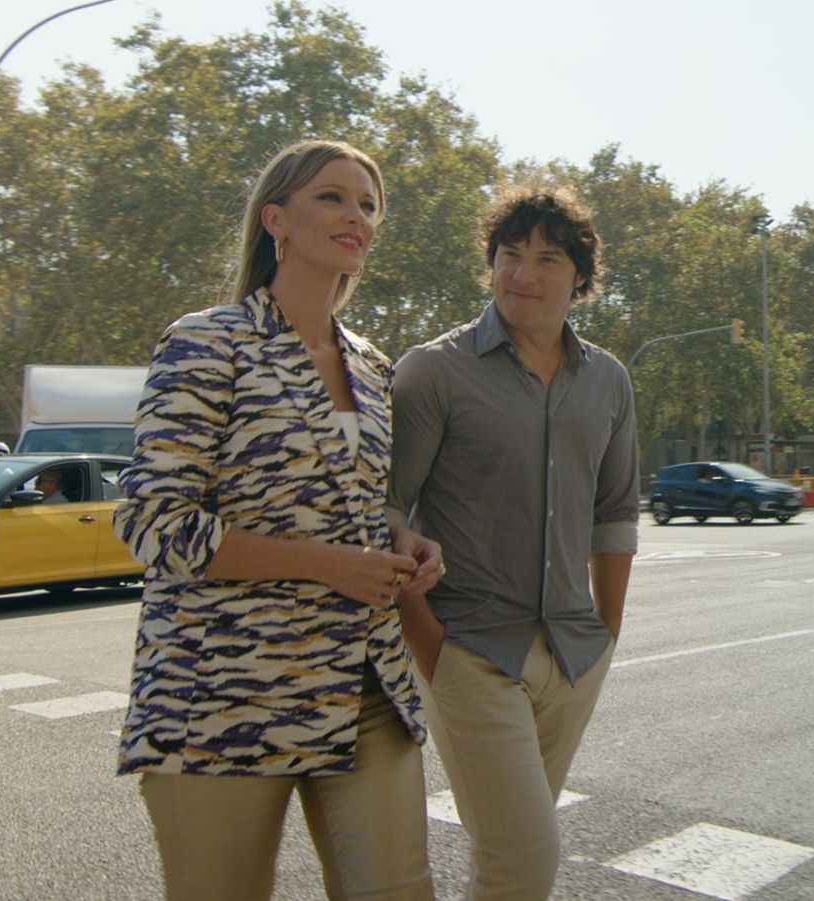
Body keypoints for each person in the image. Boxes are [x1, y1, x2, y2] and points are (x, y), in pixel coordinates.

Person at [113, 139, 444, 901]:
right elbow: (154, 523)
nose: (356, 216)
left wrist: (403, 542)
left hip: (365, 686)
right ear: (276, 221)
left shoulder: (371, 363)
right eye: (332, 197)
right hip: (221, 692)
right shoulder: (207, 339)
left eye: (367, 204)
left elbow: (354, 509)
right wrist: (329, 564)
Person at [389, 184, 639, 900]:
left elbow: (615, 512)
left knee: (504, 864)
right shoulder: (435, 370)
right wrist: (428, 641)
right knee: (526, 857)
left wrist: (607, 636)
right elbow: (382, 506)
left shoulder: (610, 382)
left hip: (572, 656)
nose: (523, 273)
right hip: (471, 650)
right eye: (510, 255)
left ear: (581, 280)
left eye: (548, 258)